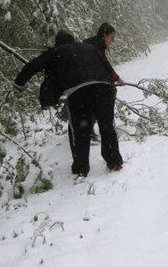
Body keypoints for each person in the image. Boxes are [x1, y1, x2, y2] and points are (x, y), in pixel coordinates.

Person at [14, 30, 124, 177]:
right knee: (107, 125)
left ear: (57, 43)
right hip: (103, 87)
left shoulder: (55, 52)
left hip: (79, 91)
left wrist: (18, 84)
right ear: (72, 40)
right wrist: (114, 80)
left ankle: (80, 169)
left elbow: (33, 65)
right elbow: (106, 65)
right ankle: (114, 161)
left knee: (79, 131)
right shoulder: (89, 48)